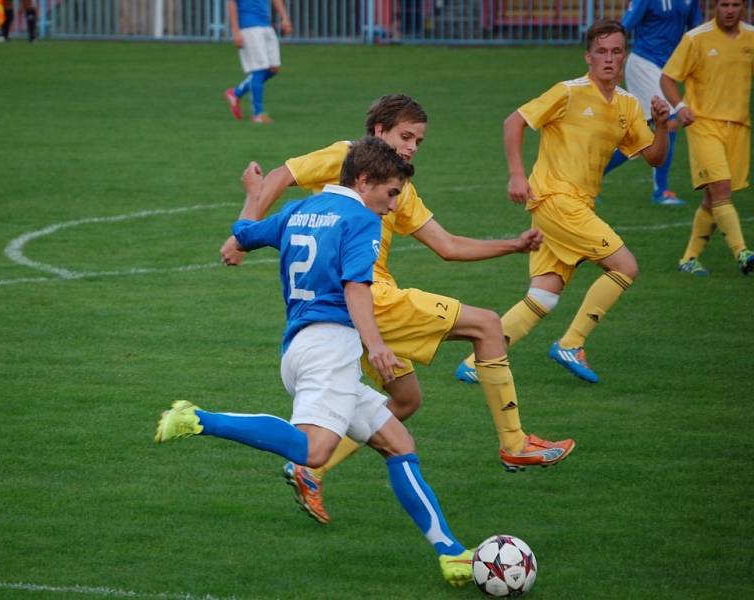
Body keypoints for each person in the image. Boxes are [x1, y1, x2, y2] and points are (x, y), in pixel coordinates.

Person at [220, 94, 575, 525]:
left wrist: (512, 245)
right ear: (377, 132)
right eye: (405, 136)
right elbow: (280, 175)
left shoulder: (397, 187)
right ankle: (515, 445)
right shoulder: (345, 158)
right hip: (370, 300)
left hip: (350, 310)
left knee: (405, 400)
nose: (411, 147)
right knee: (486, 325)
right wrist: (240, 238)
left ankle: (310, 467)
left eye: (418, 141)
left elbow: (446, 245)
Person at [156, 137, 474, 587]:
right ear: (363, 180)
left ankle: (452, 553)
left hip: (302, 348)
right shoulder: (361, 220)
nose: (393, 204)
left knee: (398, 442)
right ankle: (198, 419)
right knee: (313, 450)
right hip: (329, 350)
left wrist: (254, 193)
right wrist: (378, 345)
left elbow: (243, 233)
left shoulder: (299, 211)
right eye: (391, 192)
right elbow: (356, 288)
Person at [456, 20, 669, 385]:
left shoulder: (629, 106)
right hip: (555, 199)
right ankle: (572, 343)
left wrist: (662, 125)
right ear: (588, 57)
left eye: (616, 51)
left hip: (578, 206)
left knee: (543, 296)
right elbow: (514, 121)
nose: (608, 58)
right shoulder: (568, 92)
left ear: (624, 57)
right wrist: (517, 175)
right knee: (625, 267)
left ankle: (475, 364)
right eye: (601, 51)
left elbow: (654, 157)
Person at [660, 0, 754, 276]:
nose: (729, 10)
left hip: (738, 127)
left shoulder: (751, 37)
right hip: (703, 124)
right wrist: (680, 107)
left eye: (735, 4)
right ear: (715, 6)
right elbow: (667, 78)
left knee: (713, 198)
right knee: (722, 188)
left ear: (744, 7)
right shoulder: (696, 38)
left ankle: (689, 259)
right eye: (724, 4)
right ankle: (743, 252)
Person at [602, 0, 703, 206]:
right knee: (670, 121)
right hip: (644, 63)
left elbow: (697, 31)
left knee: (642, 137)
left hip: (668, 69)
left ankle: (590, 175)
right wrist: (616, 65)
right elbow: (623, 28)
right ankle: (661, 191)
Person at [223, 0, 292, 124]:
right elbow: (232, 4)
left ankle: (236, 92)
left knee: (273, 68)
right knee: (259, 70)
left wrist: (285, 18)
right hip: (249, 27)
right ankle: (258, 114)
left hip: (266, 25)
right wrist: (236, 31)